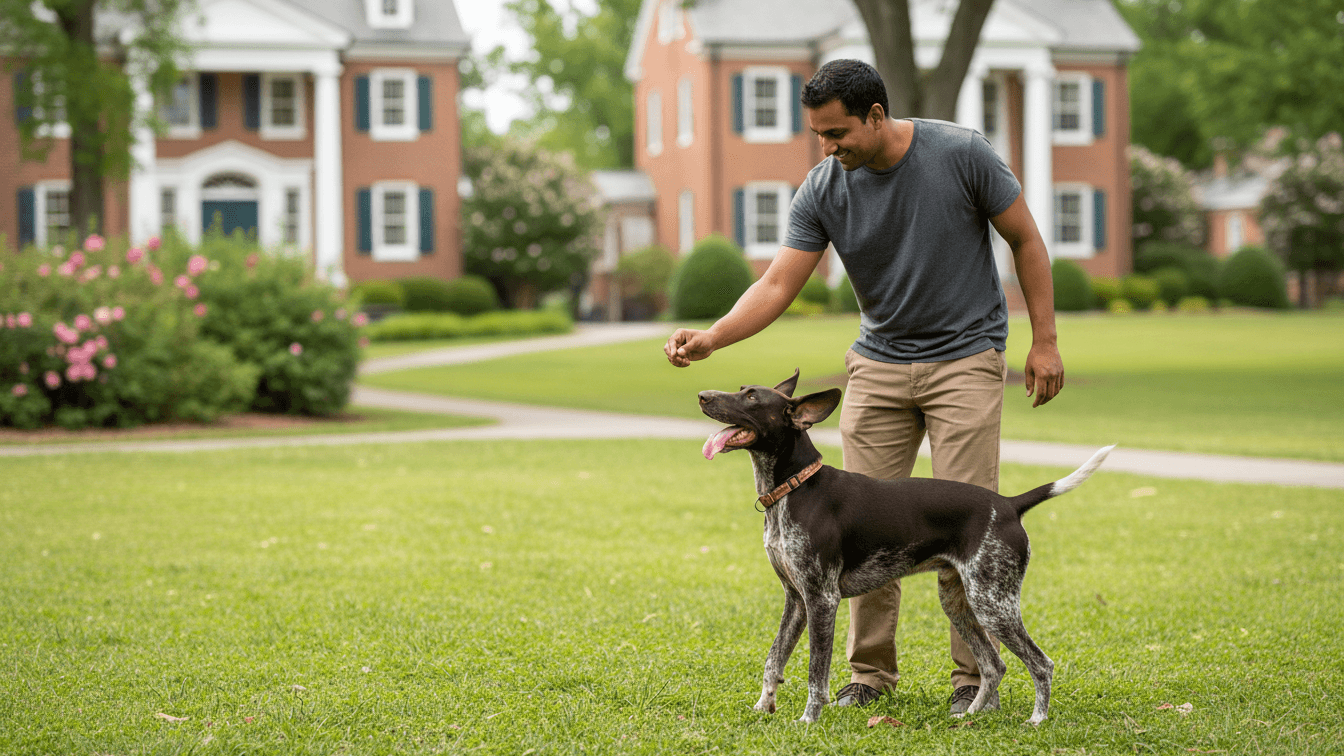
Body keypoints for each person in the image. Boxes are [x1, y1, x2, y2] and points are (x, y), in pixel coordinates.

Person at [663, 59, 1064, 715]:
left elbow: (1025, 238)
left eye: (836, 133)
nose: (826, 147)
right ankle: (869, 676)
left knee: (962, 527)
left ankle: (974, 681)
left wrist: (1043, 341)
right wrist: (712, 338)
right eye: (818, 135)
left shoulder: (963, 153)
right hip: (876, 364)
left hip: (966, 358)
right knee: (856, 526)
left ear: (876, 116)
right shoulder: (824, 187)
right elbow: (775, 283)